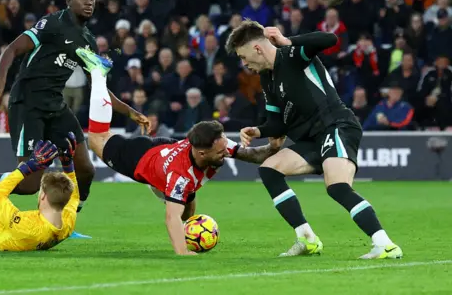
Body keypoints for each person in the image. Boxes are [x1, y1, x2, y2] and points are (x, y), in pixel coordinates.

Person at [74, 47, 284, 255]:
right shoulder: (180, 176)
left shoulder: (216, 143)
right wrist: (183, 252)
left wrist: (272, 147)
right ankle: (98, 74)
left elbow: (253, 155)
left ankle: (178, 213)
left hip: (164, 150)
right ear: (202, 153)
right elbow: (170, 217)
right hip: (139, 158)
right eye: (221, 152)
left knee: (188, 210)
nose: (226, 153)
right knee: (97, 139)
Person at [226, 21, 403, 259]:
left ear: (257, 48)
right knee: (269, 170)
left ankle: (385, 245)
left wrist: (288, 40)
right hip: (310, 139)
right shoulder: (267, 79)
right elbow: (277, 123)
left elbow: (329, 39)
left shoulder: (293, 54)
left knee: (337, 186)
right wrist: (257, 131)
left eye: (243, 56)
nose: (244, 64)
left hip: (336, 126)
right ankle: (307, 239)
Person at [0, 0, 150, 229]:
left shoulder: (88, 41)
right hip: (28, 102)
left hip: (55, 105)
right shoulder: (53, 23)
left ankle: (68, 221)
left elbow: (99, 87)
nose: (88, 2)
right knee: (31, 184)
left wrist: (130, 112)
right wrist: (0, 81)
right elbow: (13, 49)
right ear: (69, 1)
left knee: (85, 169)